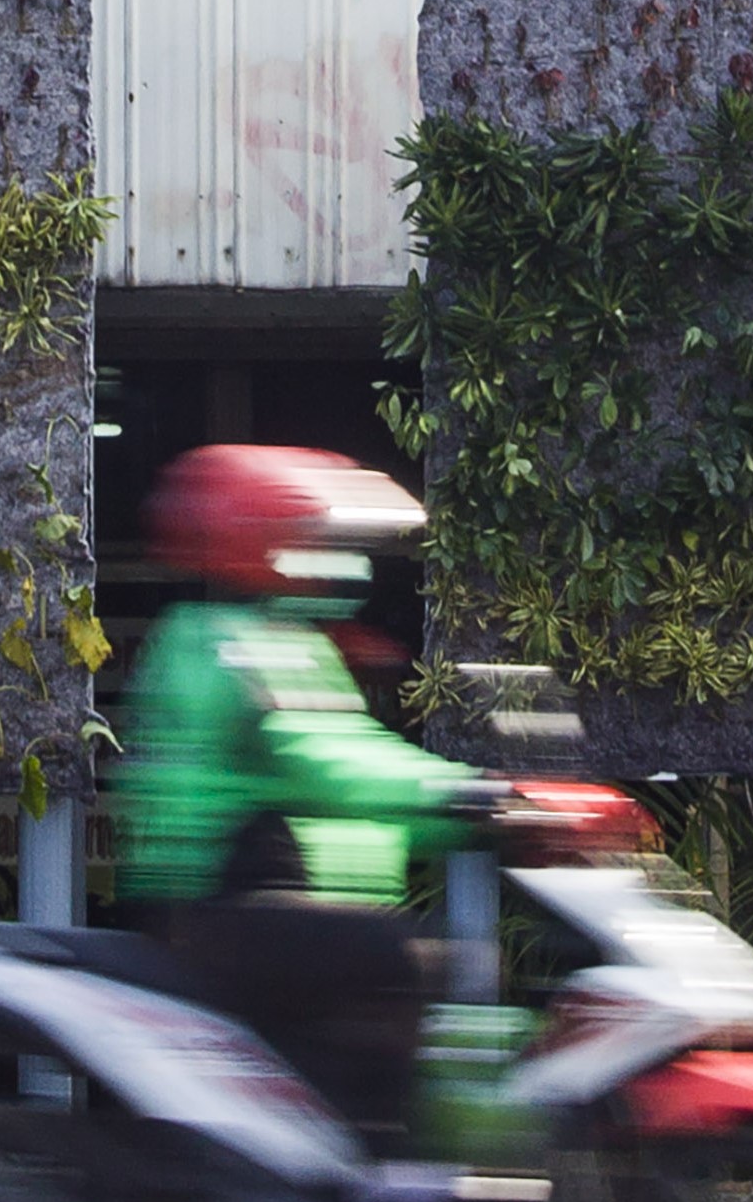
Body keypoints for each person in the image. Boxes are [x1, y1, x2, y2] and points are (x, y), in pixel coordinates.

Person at [115, 445, 498, 1142]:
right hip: (222, 903)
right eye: (315, 539)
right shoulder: (237, 645)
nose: (335, 557)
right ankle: (373, 1165)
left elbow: (342, 776)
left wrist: (459, 816)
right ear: (262, 541)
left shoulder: (256, 638)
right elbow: (325, 759)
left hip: (240, 900)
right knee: (397, 957)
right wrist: (468, 795)